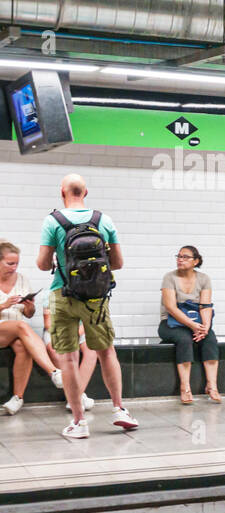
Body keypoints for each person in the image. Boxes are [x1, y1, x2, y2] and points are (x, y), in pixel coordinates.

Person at [35, 174, 137, 438]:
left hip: (62, 295)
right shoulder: (103, 220)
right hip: (96, 299)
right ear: (86, 192)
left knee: (68, 358)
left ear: (62, 193)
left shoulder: (53, 221)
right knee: (106, 353)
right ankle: (119, 410)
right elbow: (118, 263)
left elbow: (42, 264)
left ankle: (79, 422)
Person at [0, 241, 64, 415]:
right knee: (22, 326)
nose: (14, 268)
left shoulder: (21, 279)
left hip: (14, 330)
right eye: (10, 263)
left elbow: (28, 314)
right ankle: (54, 372)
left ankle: (17, 399)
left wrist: (29, 306)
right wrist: (4, 305)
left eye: (16, 264)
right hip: (4, 328)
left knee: (23, 346)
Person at [159, 245, 220, 404]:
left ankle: (212, 386)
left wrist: (205, 327)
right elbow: (170, 307)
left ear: (196, 261)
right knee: (185, 339)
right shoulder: (169, 277)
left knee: (210, 339)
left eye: (185, 257)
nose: (180, 260)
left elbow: (205, 306)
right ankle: (185, 387)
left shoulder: (204, 279)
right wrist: (192, 326)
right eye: (178, 256)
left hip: (197, 323)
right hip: (171, 323)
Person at [41, 293, 98, 415]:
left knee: (92, 352)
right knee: (54, 349)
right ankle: (79, 397)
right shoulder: (51, 295)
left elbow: (88, 321)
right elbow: (48, 324)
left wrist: (74, 334)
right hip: (56, 332)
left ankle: (75, 397)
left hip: (79, 330)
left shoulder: (85, 293)